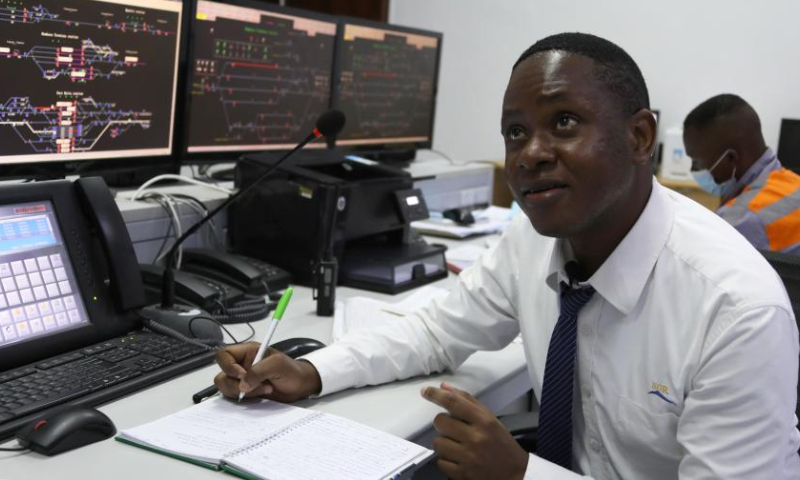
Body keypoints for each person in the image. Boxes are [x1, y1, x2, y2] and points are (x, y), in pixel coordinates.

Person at [214, 33, 800, 479]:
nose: (530, 154)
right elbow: (436, 333)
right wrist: (313, 371)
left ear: (640, 138)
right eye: (514, 133)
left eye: (563, 122)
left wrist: (522, 475)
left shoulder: (735, 309)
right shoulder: (536, 236)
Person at [684, 94, 800, 254]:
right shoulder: (792, 181)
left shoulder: (741, 220)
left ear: (730, 158)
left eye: (697, 161)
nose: (693, 170)